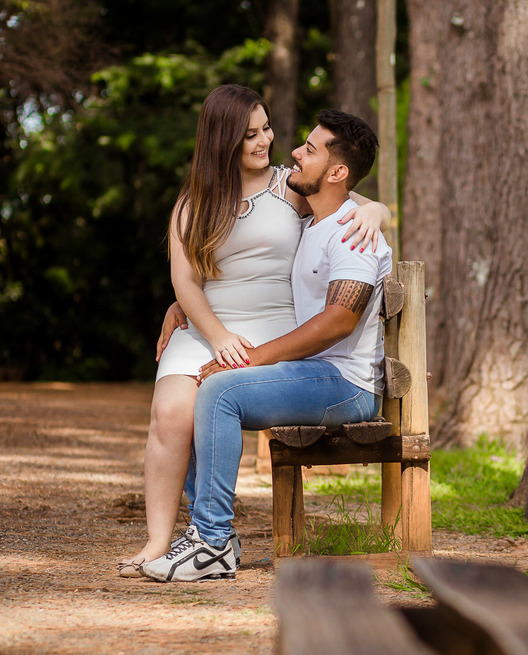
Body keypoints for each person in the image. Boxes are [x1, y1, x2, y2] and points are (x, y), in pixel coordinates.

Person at [118, 86, 388, 578]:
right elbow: (185, 279)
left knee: (218, 395)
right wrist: (206, 326)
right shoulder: (193, 203)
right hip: (208, 321)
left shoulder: (291, 186)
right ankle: (164, 539)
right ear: (223, 141)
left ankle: (211, 536)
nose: (267, 141)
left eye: (267, 128)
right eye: (251, 135)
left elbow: (343, 191)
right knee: (172, 413)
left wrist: (379, 210)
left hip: (279, 327)